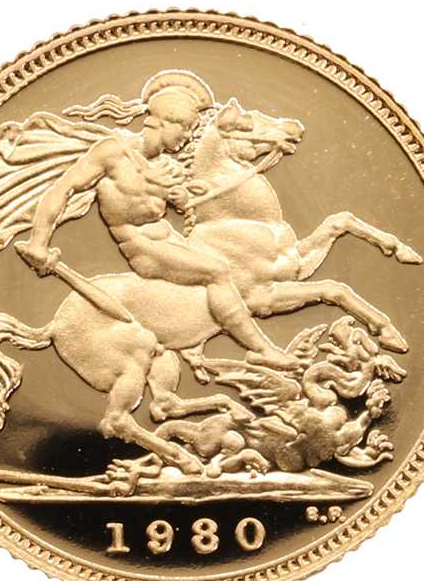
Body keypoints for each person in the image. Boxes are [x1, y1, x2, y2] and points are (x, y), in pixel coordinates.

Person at [16, 71, 301, 371]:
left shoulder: (166, 165)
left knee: (236, 270)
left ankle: (203, 335)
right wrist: (38, 242)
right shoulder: (113, 154)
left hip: (170, 239)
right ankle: (261, 350)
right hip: (143, 248)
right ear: (166, 122)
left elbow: (180, 203)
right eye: (187, 128)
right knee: (217, 271)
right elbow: (62, 189)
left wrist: (182, 197)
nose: (188, 137)